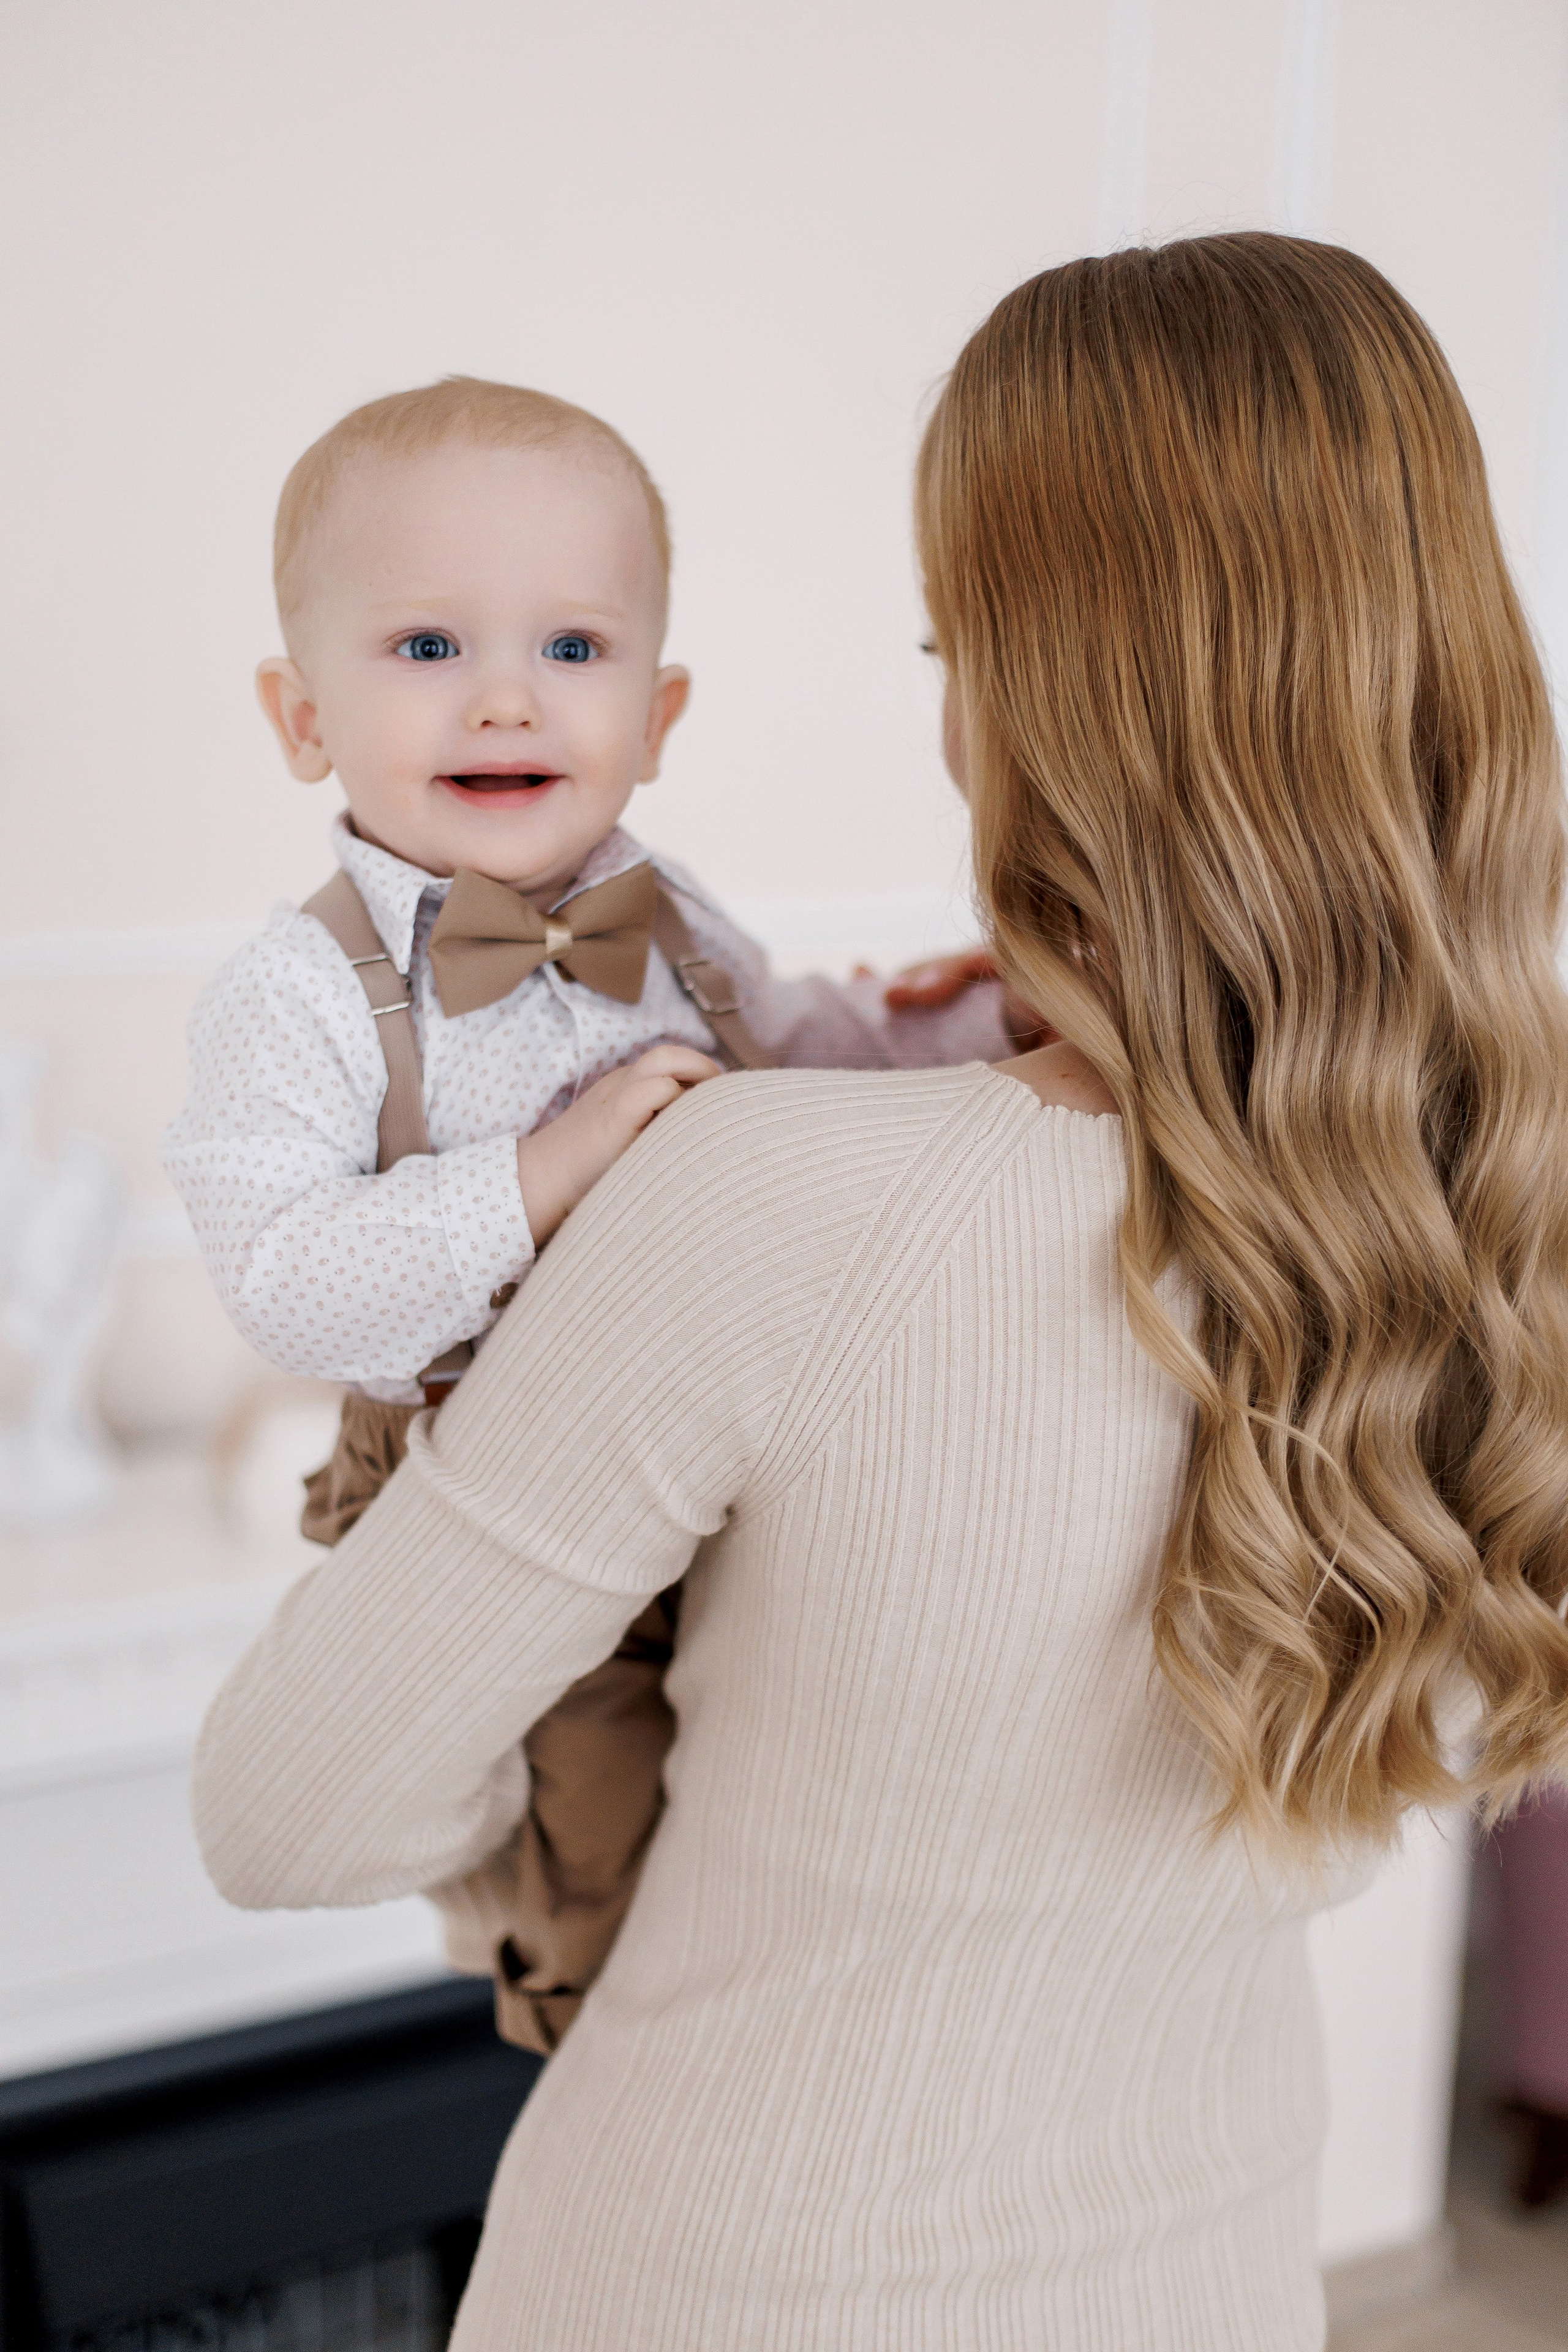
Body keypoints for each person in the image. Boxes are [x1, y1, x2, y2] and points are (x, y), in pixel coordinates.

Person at [192, 235, 1568, 2350]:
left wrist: (562, 1805)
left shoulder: (767, 1197)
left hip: (731, 2280)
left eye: (953, 644)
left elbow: (290, 1810)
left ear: (1035, 695)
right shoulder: (1489, 1208)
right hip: (1208, 2275)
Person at [162, 376, 1025, 2049]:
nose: (505, 702)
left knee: (789, 1790)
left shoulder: (667, 913)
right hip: (474, 1477)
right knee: (600, 1835)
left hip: (713, 1461)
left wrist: (981, 1019)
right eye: (426, 651)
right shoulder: (303, 992)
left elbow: (798, 1053)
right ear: (301, 718)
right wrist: (537, 1180)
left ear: (659, 709)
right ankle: (578, 2007)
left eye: (573, 651)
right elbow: (288, 1281)